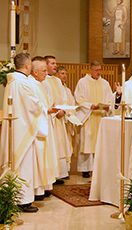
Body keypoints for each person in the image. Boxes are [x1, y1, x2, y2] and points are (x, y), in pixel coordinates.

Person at [0, 53, 42, 212]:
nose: (31, 66)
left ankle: (10, 197)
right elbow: (34, 105)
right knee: (23, 164)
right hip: (23, 129)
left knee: (13, 163)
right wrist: (41, 106)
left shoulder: (11, 81)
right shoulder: (23, 83)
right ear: (26, 66)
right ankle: (23, 200)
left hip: (14, 128)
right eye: (30, 64)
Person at [74, 61, 114, 178]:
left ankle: (98, 168)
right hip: (89, 116)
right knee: (87, 143)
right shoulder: (83, 82)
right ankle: (85, 169)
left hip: (101, 117)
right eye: (96, 70)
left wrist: (107, 106)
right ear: (90, 70)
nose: (98, 72)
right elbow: (79, 98)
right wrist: (90, 105)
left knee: (99, 143)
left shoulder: (105, 83)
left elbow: (110, 98)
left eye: (100, 70)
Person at [28, 57, 59, 199]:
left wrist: (49, 109)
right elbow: (34, 108)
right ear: (35, 72)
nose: (46, 73)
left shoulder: (40, 84)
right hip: (38, 128)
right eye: (43, 71)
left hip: (46, 124)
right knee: (40, 158)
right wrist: (47, 110)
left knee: (47, 156)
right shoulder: (31, 85)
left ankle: (45, 187)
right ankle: (38, 190)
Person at [42, 55, 72, 182]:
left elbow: (64, 97)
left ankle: (59, 173)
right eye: (52, 63)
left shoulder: (57, 80)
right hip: (51, 118)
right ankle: (51, 175)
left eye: (55, 63)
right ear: (46, 65)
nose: (55, 65)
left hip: (59, 117)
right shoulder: (42, 81)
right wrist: (55, 113)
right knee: (53, 147)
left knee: (60, 146)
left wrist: (63, 110)